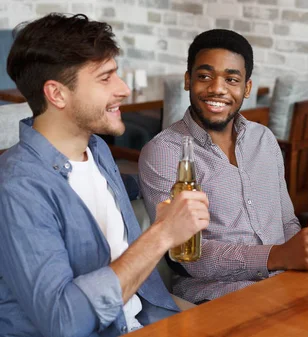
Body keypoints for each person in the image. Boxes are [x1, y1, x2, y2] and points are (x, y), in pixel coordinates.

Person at [0, 13, 209, 337]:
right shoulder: (18, 187)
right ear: (57, 94)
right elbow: (63, 322)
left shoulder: (96, 150)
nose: (123, 89)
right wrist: (162, 234)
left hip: (147, 318)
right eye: (105, 78)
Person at [138, 29, 308, 304]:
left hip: (287, 281)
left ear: (246, 87)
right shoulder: (164, 152)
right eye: (204, 76)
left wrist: (306, 252)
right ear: (188, 80)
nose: (217, 88)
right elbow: (189, 257)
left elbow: (286, 221)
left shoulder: (264, 139)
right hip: (217, 297)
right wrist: (278, 256)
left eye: (231, 79)